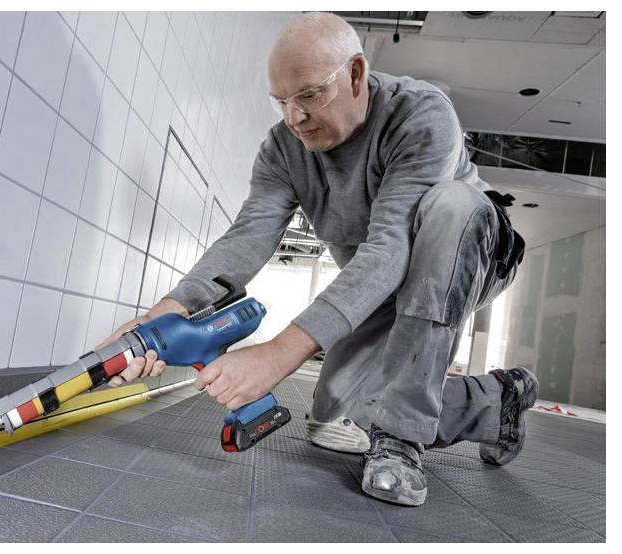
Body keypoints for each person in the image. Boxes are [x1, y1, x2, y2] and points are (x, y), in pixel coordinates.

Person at [100, 12, 534, 507]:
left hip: (467, 256)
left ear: (354, 74)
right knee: (337, 419)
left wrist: (278, 354)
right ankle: (500, 402)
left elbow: (393, 246)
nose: (295, 117)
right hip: (386, 282)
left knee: (450, 205)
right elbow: (248, 235)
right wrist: (168, 311)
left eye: (308, 96)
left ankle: (400, 441)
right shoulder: (284, 148)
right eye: (282, 101)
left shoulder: (421, 116)